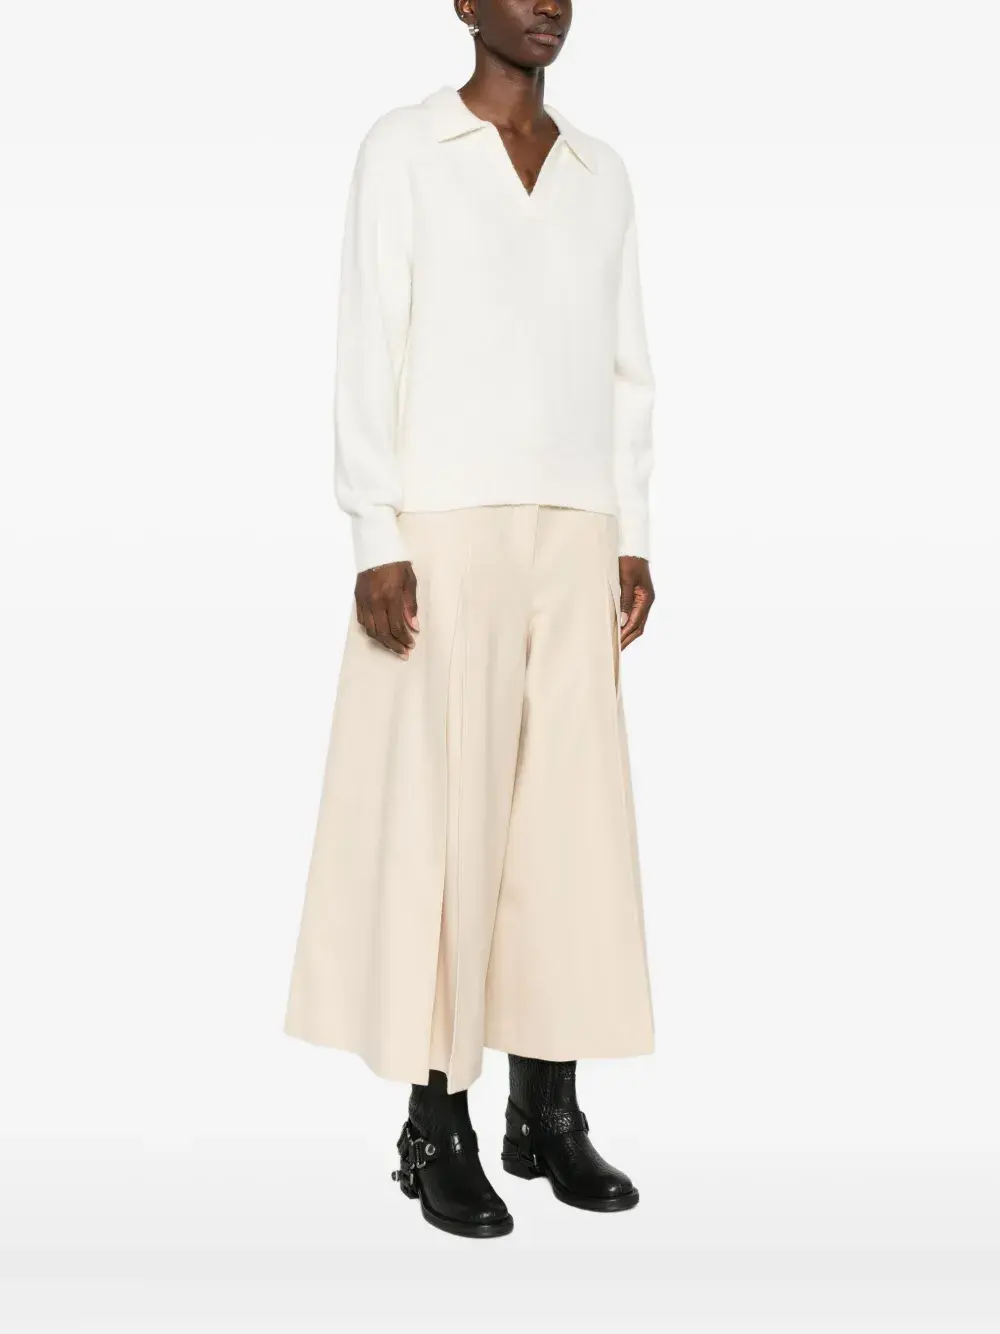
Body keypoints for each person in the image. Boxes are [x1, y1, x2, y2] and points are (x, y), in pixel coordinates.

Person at [284, 0, 657, 1239]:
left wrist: (630, 527)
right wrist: (375, 533)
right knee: (446, 827)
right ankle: (433, 1123)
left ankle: (544, 1111)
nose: (547, 4)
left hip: (574, 524)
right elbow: (367, 340)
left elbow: (626, 364)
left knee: (567, 829)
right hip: (443, 523)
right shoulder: (406, 148)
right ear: (462, 2)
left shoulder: (600, 172)